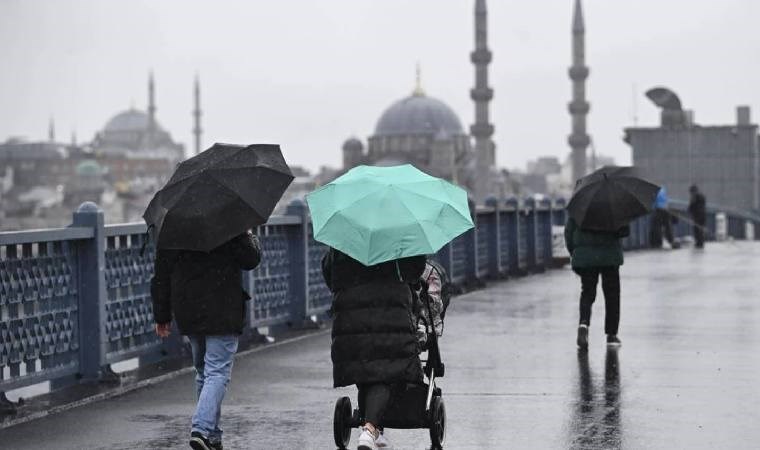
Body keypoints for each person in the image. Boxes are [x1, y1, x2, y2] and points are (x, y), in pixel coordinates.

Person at [151, 230, 261, 450]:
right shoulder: (229, 221)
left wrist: (162, 315)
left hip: (189, 308)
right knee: (217, 372)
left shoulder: (176, 224)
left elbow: (162, 274)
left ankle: (212, 436)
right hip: (223, 307)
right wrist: (247, 235)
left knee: (204, 372)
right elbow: (250, 260)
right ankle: (201, 429)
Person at [322, 248, 425, 450]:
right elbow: (413, 271)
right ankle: (370, 429)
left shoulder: (346, 235)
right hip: (389, 313)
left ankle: (371, 427)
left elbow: (329, 274)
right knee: (386, 373)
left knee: (366, 371)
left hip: (351, 316)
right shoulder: (397, 235)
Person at [565, 218, 629, 349]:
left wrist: (575, 252)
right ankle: (611, 335)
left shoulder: (581, 206)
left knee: (587, 292)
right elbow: (624, 231)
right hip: (610, 256)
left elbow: (568, 232)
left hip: (586, 257)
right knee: (612, 295)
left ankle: (583, 324)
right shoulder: (614, 207)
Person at [688, 184, 707, 248]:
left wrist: (690, 211)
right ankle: (700, 242)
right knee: (700, 230)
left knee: (697, 230)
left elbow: (692, 207)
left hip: (698, 216)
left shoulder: (695, 197)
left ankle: (699, 243)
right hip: (702, 216)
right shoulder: (701, 196)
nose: (691, 194)